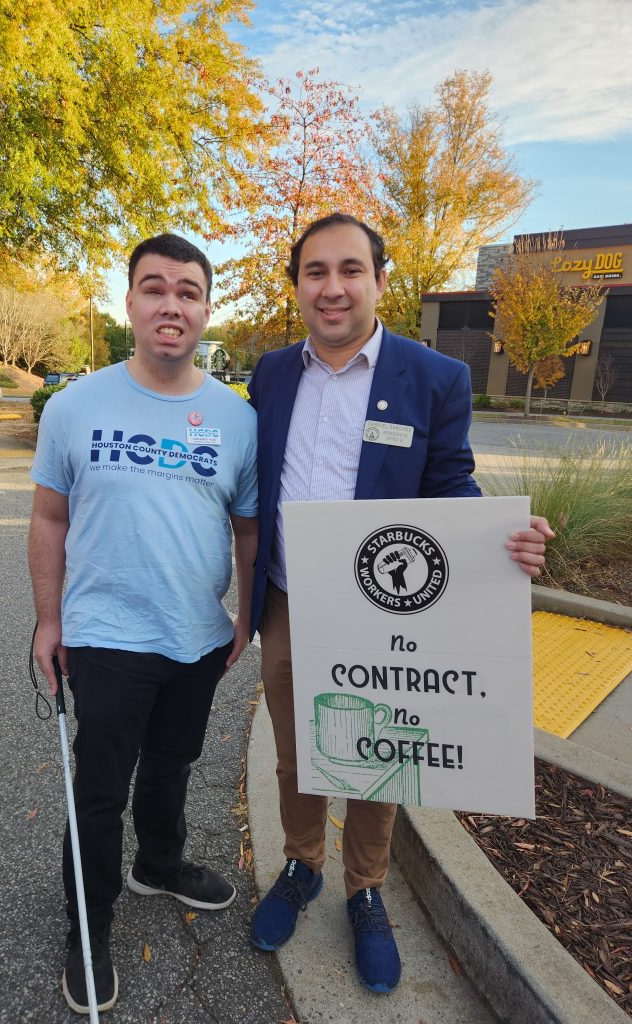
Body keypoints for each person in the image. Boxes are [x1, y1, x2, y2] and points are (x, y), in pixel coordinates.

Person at [247, 213, 555, 994]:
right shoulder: (272, 374)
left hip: (382, 609)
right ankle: (302, 864)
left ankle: (366, 887)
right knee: (297, 750)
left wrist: (503, 540)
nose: (333, 287)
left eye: (351, 269)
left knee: (378, 755)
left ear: (381, 281)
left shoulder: (434, 377)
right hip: (287, 600)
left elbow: (450, 485)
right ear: (298, 286)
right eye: (316, 271)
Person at [28, 234, 258, 1015]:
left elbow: (248, 527)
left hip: (195, 637)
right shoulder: (75, 406)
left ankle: (158, 864)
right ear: (129, 302)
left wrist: (245, 614)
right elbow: (49, 517)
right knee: (99, 793)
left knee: (171, 765)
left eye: (188, 291)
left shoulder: (235, 418)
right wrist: (48, 619)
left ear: (205, 310)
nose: (171, 303)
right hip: (105, 638)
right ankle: (88, 929)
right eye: (154, 287)